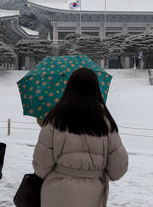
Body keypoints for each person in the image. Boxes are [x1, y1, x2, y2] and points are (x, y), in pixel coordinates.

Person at [33, 68, 128, 207]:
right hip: (93, 195)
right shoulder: (105, 121)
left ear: (69, 87)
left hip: (56, 192)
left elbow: (41, 166)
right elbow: (118, 168)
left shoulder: (54, 118)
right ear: (96, 88)